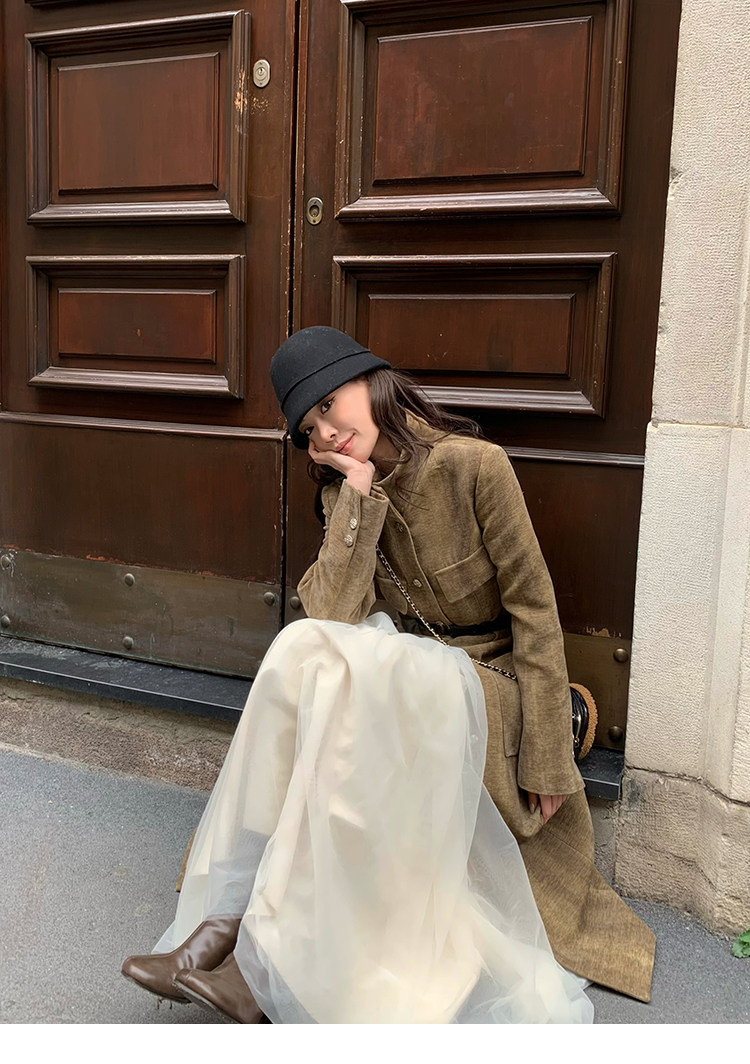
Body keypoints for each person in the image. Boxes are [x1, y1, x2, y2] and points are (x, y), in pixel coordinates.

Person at [121, 327, 655, 1023]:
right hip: (399, 691)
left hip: (485, 690)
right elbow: (332, 615)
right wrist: (358, 495)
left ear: (371, 382)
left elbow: (535, 610)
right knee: (305, 648)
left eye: (328, 405)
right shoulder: (344, 495)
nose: (325, 432)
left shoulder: (474, 466)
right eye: (309, 429)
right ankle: (228, 929)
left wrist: (548, 754)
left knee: (361, 665)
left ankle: (249, 955)